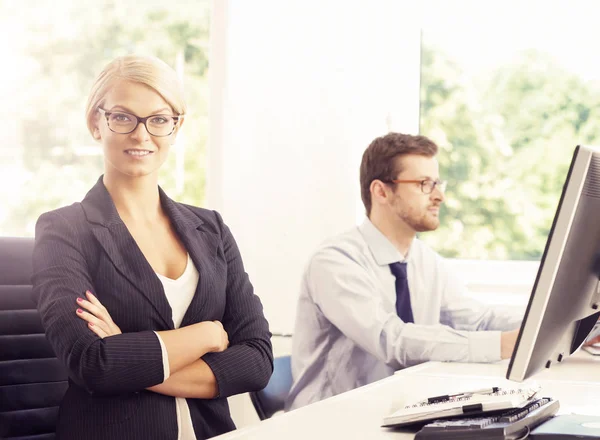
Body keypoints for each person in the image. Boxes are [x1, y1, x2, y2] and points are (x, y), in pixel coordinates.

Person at [32, 55, 273, 440]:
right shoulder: (64, 231)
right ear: (96, 123)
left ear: (176, 128)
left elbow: (257, 361)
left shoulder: (210, 228)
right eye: (123, 117)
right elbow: (93, 363)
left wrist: (129, 358)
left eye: (159, 119)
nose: (142, 135)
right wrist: (206, 335)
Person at [285, 132, 523, 411]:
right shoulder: (335, 262)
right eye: (424, 184)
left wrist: (552, 324)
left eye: (437, 183)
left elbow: (479, 320)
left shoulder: (424, 260)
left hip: (400, 410)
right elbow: (391, 340)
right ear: (381, 191)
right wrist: (500, 345)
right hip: (331, 420)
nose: (439, 196)